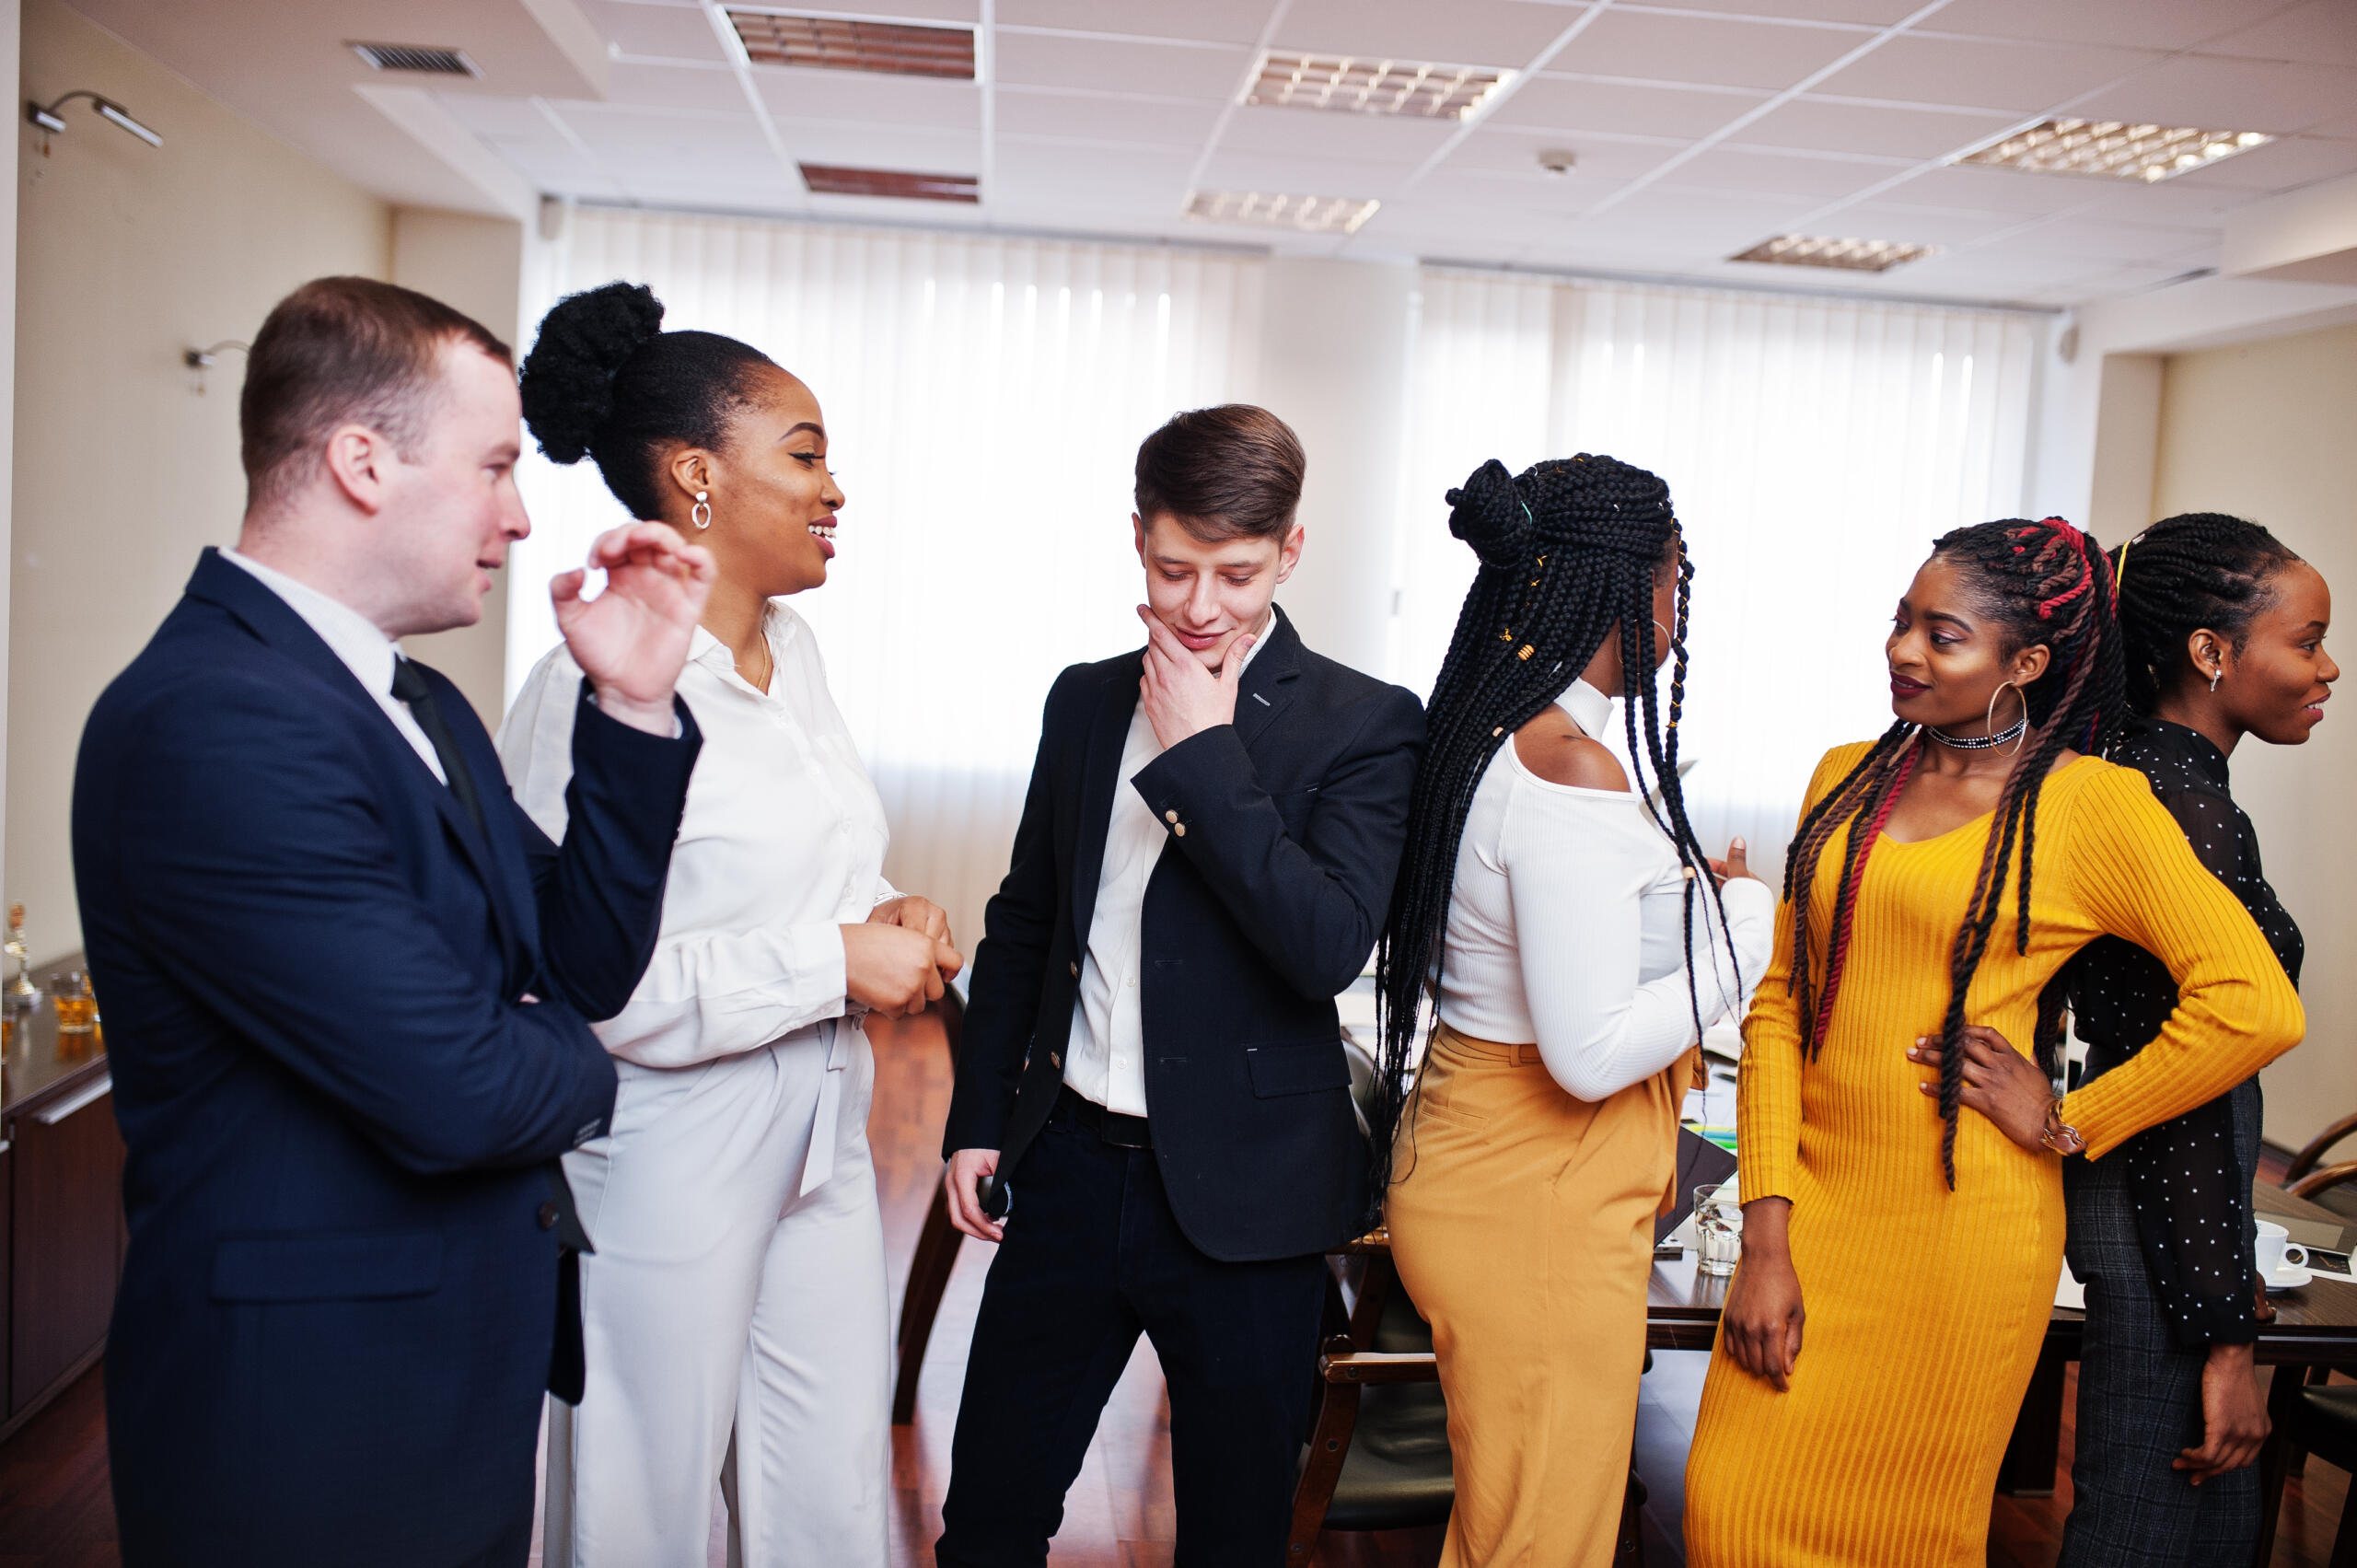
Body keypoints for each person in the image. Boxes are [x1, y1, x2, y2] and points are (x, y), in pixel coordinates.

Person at [73, 277, 713, 1567]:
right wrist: (579, 1057)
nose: (521, 516)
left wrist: (635, 707)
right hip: (309, 1418)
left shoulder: (414, 698)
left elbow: (578, 960)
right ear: (362, 461)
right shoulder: (221, 720)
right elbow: (464, 1089)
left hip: (435, 1376)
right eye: (492, 467)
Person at [1683, 516, 2305, 1568]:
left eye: (1942, 633)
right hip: (1814, 1212)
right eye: (1900, 623)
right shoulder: (1847, 775)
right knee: (1726, 1514)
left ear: (2024, 661)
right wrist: (1767, 1229)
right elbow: (1783, 1003)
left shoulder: (2089, 806)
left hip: (1966, 1233)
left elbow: (2254, 1001)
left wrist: (2069, 1117)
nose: (1903, 651)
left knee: (1906, 1539)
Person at [499, 282, 960, 1567]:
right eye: (805, 453)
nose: (836, 488)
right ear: (696, 475)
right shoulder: (580, 693)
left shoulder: (793, 652)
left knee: (823, 1495)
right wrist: (833, 959)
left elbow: (801, 871)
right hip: (662, 1147)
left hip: (821, 1125)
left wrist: (881, 912)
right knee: (637, 1497)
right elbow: (583, 977)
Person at [935, 405, 1424, 1567]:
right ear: (1138, 538)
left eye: (1236, 573)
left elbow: (1324, 946)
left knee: (1234, 1536)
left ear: (1290, 552)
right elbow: (1026, 923)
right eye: (1172, 567)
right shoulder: (1084, 697)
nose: (1200, 604)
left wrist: (1204, 754)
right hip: (1063, 1172)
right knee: (989, 1517)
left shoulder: (1366, 723)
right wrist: (976, 1120)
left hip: (1250, 1205)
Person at [1373, 455, 1775, 1568]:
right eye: (1675, 582)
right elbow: (1589, 1052)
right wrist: (1748, 928)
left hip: (1493, 1162)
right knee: (1541, 1543)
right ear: (1626, 591)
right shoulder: (1569, 765)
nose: (1680, 614)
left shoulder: (1501, 738)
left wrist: (1692, 905)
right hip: (1533, 1196)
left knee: (1523, 1526)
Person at [2057, 513, 2334, 1566]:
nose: (2327, 666)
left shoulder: (2133, 774)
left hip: (2158, 1216)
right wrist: (2225, 1335)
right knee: (2146, 1530)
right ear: (2211, 652)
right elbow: (2183, 1086)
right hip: (2162, 1222)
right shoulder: (2180, 805)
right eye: (2304, 640)